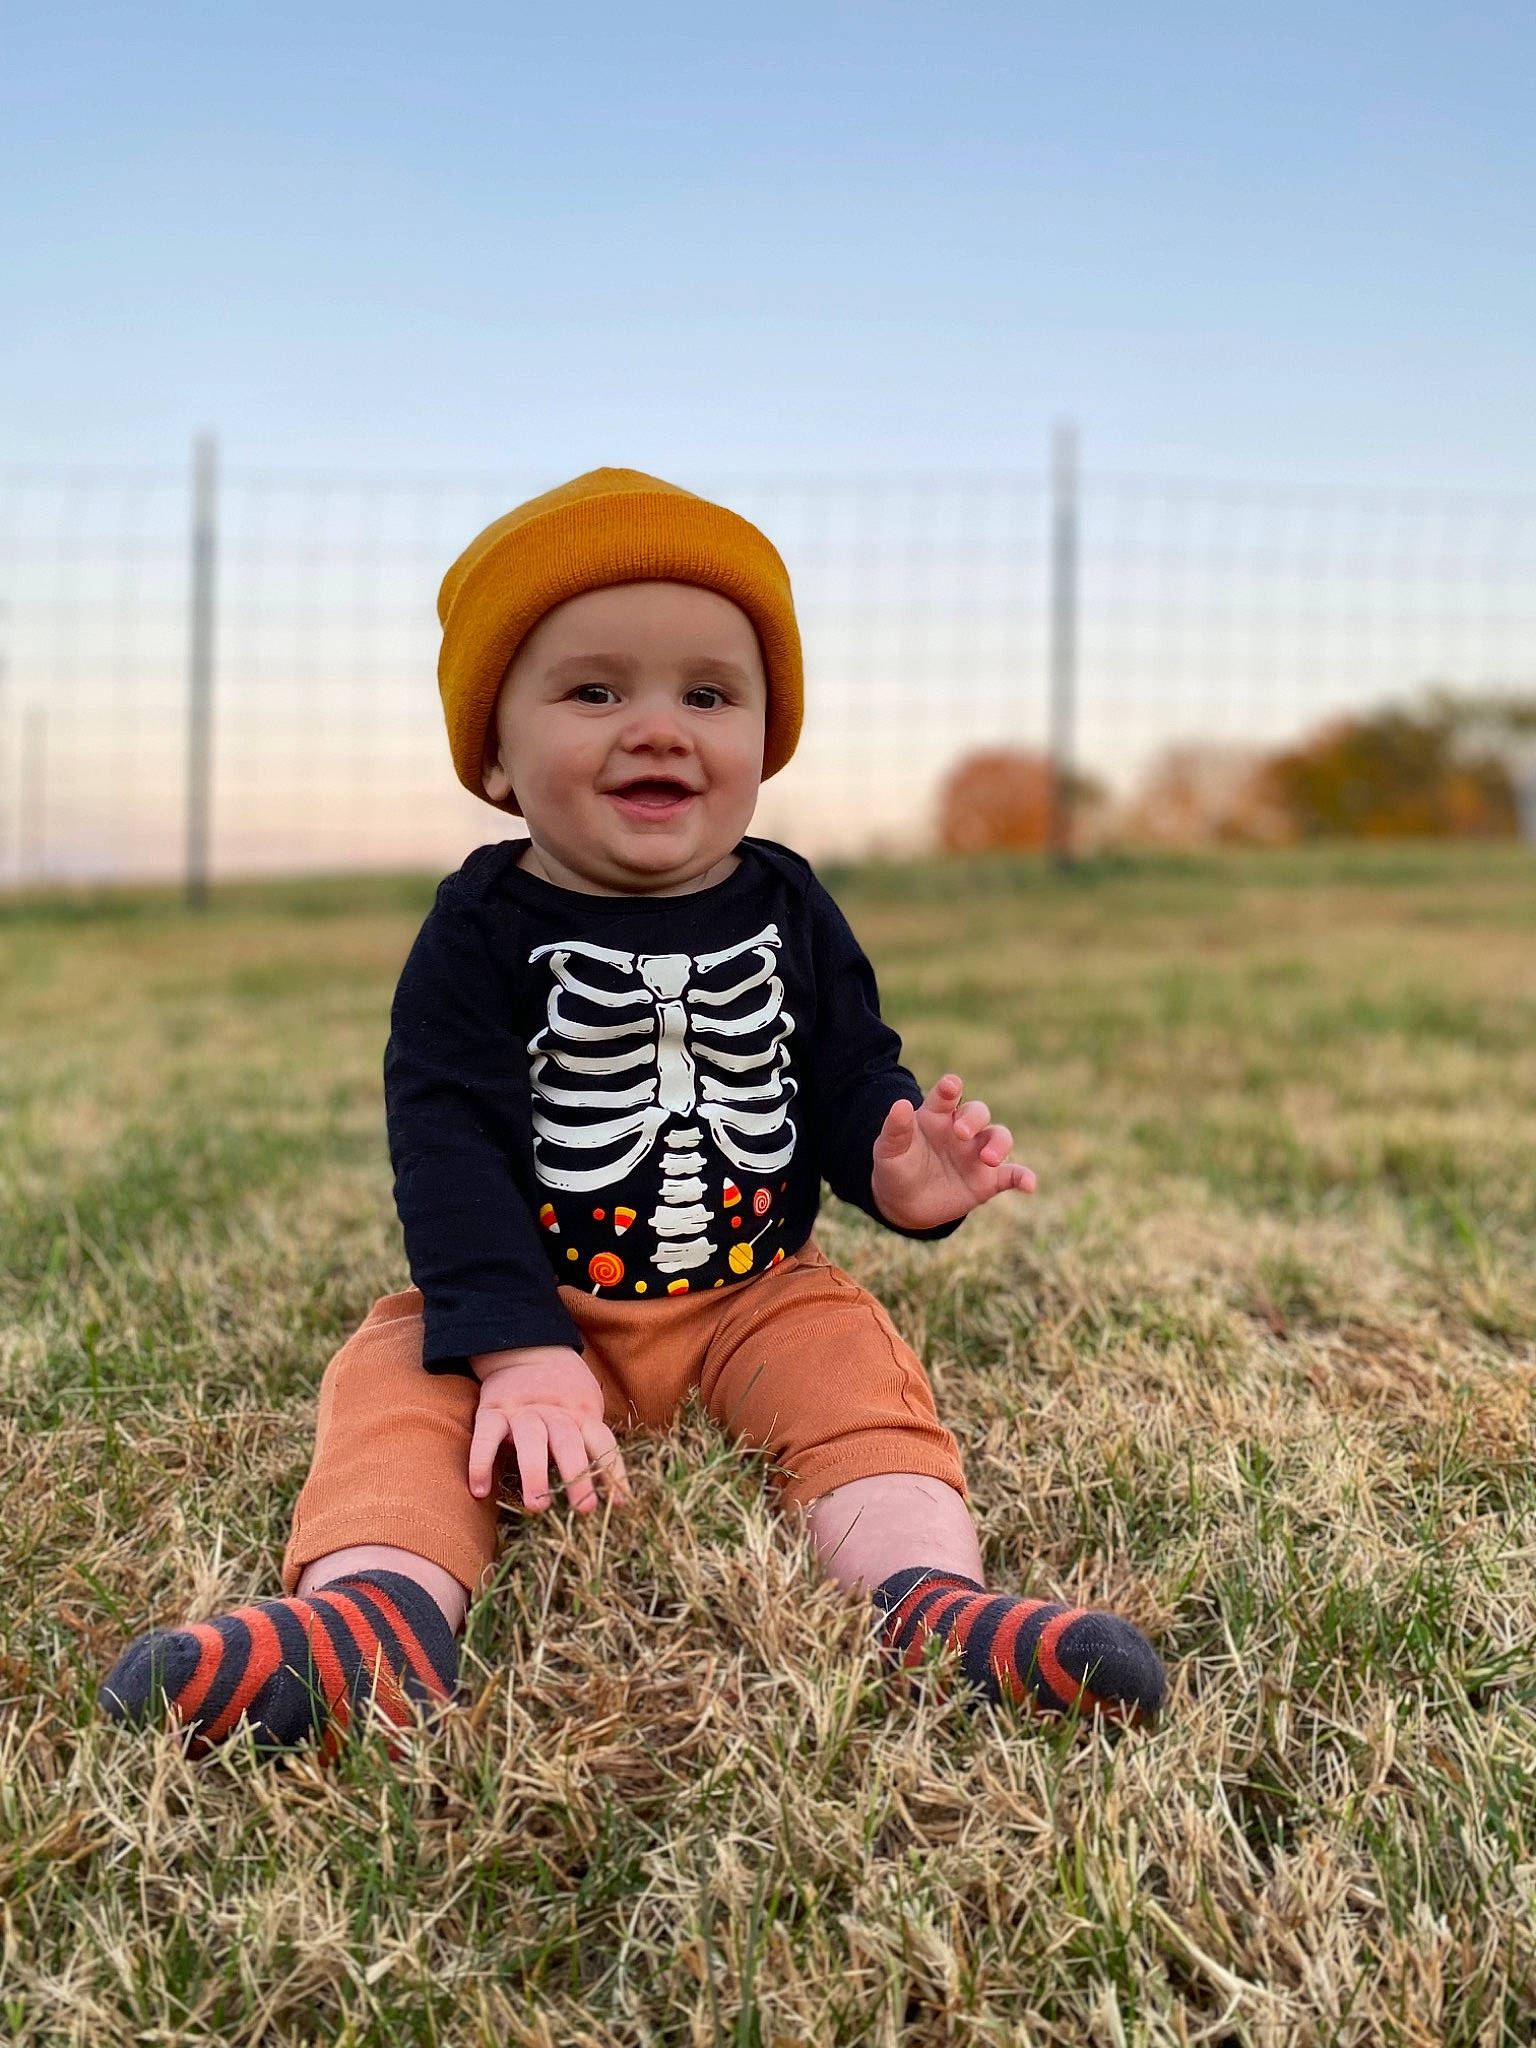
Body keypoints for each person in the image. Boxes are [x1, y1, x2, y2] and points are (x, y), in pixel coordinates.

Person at [100, 468, 1165, 1756]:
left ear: (766, 737)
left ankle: (929, 1601)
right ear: (496, 752)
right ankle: (372, 1613)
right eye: (595, 692)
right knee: (395, 1378)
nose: (659, 728)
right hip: (541, 1304)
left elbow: (846, 1077)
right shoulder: (479, 927)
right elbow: (445, 1143)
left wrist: (899, 1166)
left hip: (754, 1295)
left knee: (854, 1374)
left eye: (708, 695)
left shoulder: (791, 902)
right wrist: (514, 1347)